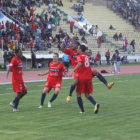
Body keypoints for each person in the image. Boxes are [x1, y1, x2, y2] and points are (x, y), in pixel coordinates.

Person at [71, 44, 99, 114]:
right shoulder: (87, 56)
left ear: (80, 50)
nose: (77, 49)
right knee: (87, 95)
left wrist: (73, 70)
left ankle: (82, 111)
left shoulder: (79, 56)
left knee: (78, 94)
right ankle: (95, 104)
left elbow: (80, 63)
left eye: (78, 48)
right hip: (88, 77)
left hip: (82, 77)